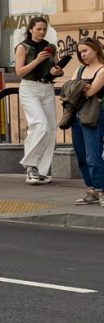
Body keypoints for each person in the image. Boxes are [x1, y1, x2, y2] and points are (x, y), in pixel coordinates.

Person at [12, 17, 62, 184]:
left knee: (51, 129)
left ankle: (41, 169)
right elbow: (19, 72)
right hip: (29, 88)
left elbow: (56, 68)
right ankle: (30, 166)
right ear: (31, 29)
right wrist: (37, 60)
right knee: (39, 125)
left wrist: (57, 71)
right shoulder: (22, 47)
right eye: (39, 29)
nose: (42, 32)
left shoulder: (51, 47)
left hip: (47, 88)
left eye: (44, 29)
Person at [63, 37, 104, 204]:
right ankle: (91, 189)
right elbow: (67, 89)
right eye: (80, 52)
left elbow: (89, 92)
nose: (83, 55)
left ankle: (101, 189)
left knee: (93, 155)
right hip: (76, 115)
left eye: (85, 51)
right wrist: (79, 87)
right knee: (81, 155)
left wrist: (77, 87)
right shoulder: (80, 69)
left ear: (95, 49)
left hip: (94, 115)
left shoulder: (101, 70)